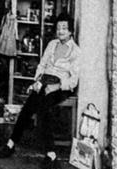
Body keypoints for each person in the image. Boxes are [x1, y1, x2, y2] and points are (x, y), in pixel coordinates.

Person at [7, 16, 80, 160]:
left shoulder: (75, 51)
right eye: (58, 28)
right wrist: (37, 80)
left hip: (61, 87)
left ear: (70, 30)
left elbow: (73, 81)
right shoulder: (52, 44)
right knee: (30, 106)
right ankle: (14, 143)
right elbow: (41, 65)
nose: (61, 31)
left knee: (42, 105)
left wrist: (56, 87)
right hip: (45, 81)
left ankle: (47, 151)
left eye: (64, 28)